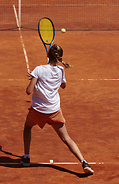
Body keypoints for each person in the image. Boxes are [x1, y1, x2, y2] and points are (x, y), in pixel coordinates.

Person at [21, 44, 94, 174]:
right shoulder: (61, 70)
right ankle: (84, 162)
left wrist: (34, 79)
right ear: (59, 57)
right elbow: (64, 86)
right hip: (54, 111)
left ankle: (26, 157)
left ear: (48, 55)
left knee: (27, 127)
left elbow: (28, 91)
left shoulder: (38, 70)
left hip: (38, 111)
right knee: (66, 138)